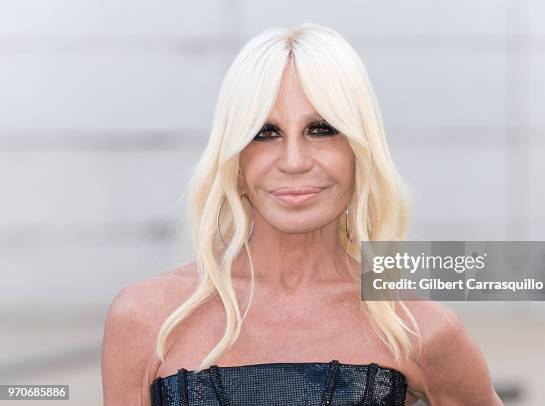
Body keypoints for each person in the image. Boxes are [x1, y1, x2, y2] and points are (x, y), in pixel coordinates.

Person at [101, 23, 503, 406]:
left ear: (360, 156)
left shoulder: (420, 329)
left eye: (322, 128)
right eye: (265, 132)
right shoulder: (147, 317)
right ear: (235, 163)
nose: (293, 161)